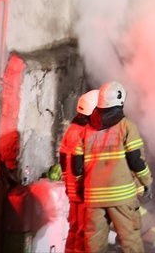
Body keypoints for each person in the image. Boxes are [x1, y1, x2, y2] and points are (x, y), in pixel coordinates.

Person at [73, 80, 153, 253]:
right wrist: (147, 181)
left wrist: (82, 187)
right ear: (121, 102)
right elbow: (136, 160)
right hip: (121, 196)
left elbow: (76, 165)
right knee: (130, 241)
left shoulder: (86, 131)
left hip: (93, 198)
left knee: (93, 245)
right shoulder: (127, 127)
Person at [60, 89, 99, 253]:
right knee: (86, 235)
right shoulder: (85, 133)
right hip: (84, 193)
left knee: (74, 232)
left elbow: (63, 159)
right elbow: (82, 166)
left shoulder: (72, 129)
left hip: (73, 192)